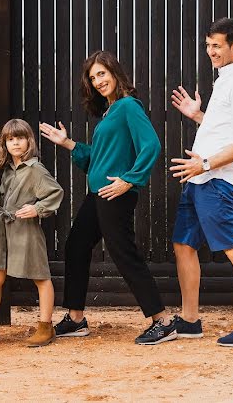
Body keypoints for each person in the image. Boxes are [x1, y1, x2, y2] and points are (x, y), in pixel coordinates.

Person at [40, 50, 175, 345]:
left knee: (123, 252)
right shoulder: (109, 112)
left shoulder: (128, 106)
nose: (98, 81)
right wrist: (68, 143)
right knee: (76, 245)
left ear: (115, 72)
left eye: (102, 73)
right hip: (98, 193)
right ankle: (76, 319)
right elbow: (98, 159)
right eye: (93, 77)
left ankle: (162, 320)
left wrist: (129, 180)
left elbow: (151, 145)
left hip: (115, 194)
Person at [169, 17, 233, 347]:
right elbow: (222, 128)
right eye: (208, 45)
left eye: (217, 46)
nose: (210, 51)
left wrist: (206, 164)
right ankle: (189, 320)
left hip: (215, 181)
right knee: (183, 245)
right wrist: (199, 116)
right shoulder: (224, 79)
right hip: (198, 180)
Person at [0, 119, 64, 347]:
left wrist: (37, 209)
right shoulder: (10, 171)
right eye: (11, 139)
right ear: (5, 144)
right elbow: (1, 200)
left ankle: (46, 327)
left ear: (29, 141)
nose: (16, 143)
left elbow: (56, 193)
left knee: (40, 277)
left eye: (20, 138)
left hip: (26, 230)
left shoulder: (36, 170)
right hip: (5, 229)